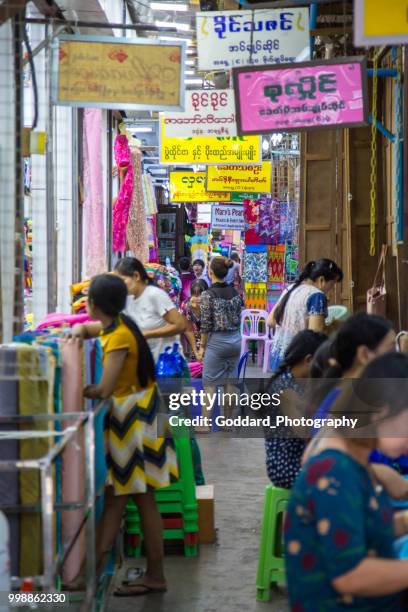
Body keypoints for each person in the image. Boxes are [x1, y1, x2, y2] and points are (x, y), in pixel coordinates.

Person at [70, 274, 178, 596]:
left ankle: (92, 574)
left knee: (125, 499)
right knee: (139, 499)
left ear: (93, 304)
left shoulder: (118, 337)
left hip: (134, 421)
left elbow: (103, 389)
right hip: (145, 412)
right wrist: (78, 329)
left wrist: (73, 389)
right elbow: (94, 328)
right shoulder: (121, 325)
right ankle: (140, 574)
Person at [285, 353, 408, 611]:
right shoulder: (333, 472)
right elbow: (350, 576)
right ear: (380, 412)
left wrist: (405, 521)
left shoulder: (354, 459)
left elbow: (363, 530)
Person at [264, 330, 327, 489]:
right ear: (309, 360)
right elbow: (305, 432)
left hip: (298, 461)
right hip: (288, 468)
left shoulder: (297, 383)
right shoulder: (285, 388)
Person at [267, 259, 343, 372]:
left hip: (277, 357)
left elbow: (271, 321)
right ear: (321, 280)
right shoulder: (317, 296)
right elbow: (315, 335)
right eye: (331, 285)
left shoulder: (290, 288)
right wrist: (333, 326)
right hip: (298, 362)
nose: (331, 290)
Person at [114, 257, 186, 363]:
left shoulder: (154, 295)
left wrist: (146, 334)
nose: (120, 285)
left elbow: (180, 325)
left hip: (167, 365)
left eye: (122, 280)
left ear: (136, 276)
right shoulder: (128, 299)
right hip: (146, 362)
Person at [198, 256, 243, 383]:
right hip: (235, 340)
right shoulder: (235, 292)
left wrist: (202, 347)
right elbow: (238, 313)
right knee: (230, 382)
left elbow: (206, 324)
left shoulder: (207, 295)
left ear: (210, 272)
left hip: (217, 343)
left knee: (210, 384)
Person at [180, 278, 208, 361]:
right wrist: (195, 352)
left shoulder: (210, 304)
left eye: (201, 295)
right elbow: (187, 330)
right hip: (193, 343)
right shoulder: (185, 305)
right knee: (196, 366)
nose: (198, 298)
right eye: (195, 295)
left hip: (209, 343)